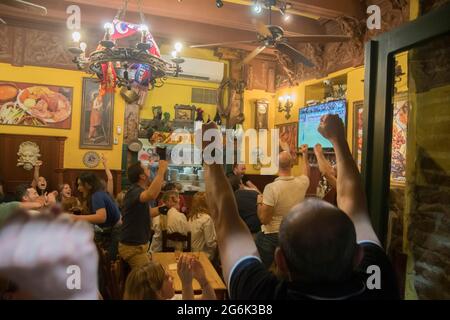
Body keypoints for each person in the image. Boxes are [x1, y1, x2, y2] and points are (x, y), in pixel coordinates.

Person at [201, 116, 399, 300]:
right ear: (358, 256)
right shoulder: (377, 281)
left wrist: (211, 148)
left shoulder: (260, 295)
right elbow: (353, 203)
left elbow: (224, 219)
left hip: (268, 235)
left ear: (281, 261)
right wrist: (338, 139)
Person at [255, 145, 310, 268]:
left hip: (272, 236)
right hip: (293, 233)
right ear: (292, 165)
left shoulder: (271, 188)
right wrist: (305, 155)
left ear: (275, 165)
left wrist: (259, 202)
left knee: (258, 248)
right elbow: (306, 173)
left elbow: (264, 219)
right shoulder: (302, 182)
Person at [119, 160, 168, 269]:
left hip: (138, 247)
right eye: (147, 168)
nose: (150, 170)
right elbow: (152, 194)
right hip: (133, 248)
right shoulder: (134, 192)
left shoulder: (138, 191)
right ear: (142, 176)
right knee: (151, 279)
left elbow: (149, 212)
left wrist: (166, 208)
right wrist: (161, 172)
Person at [123, 254, 216, 300]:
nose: (172, 277)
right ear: (157, 293)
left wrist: (202, 279)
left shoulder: (170, 298)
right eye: (166, 278)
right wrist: (186, 284)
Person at [72, 172, 121, 259]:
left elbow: (101, 217)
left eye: (80, 185)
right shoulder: (99, 194)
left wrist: (76, 218)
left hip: (116, 231)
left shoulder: (96, 195)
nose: (79, 188)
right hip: (113, 230)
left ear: (88, 185)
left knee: (108, 261)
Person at [186, 192, 217, 261]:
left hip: (191, 253)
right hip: (203, 256)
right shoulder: (206, 218)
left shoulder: (191, 217)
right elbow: (210, 244)